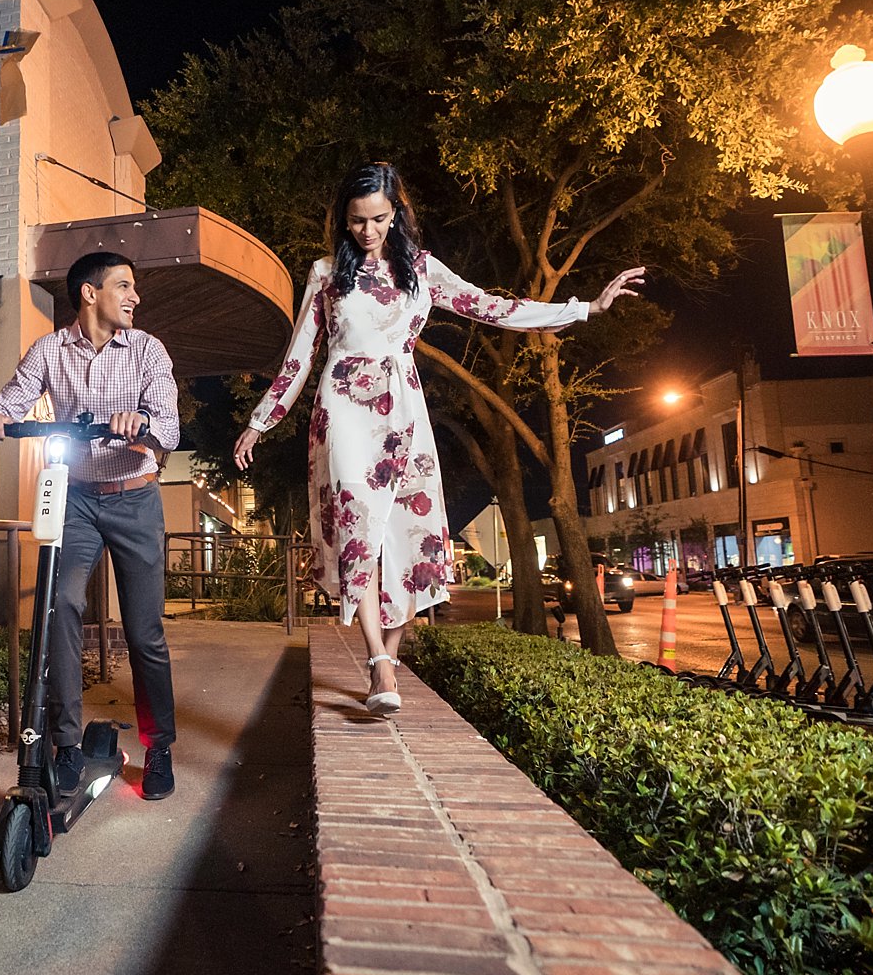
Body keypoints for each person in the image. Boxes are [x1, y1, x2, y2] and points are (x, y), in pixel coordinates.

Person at [234, 162, 644, 713]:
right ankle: (378, 663)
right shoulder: (326, 274)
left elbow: (492, 307)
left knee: (409, 535)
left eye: (379, 218)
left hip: (403, 410)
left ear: (397, 213)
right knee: (359, 527)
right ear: (343, 221)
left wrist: (583, 308)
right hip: (345, 413)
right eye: (357, 221)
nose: (368, 231)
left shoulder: (423, 271)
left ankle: (390, 664)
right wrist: (261, 419)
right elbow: (300, 356)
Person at [0, 251, 182, 798]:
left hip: (135, 497)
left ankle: (158, 746)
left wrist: (143, 424)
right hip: (75, 500)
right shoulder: (48, 350)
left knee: (144, 632)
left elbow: (169, 423)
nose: (135, 297)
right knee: (59, 604)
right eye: (124, 286)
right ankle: (65, 744)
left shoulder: (146, 350)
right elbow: (16, 398)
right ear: (90, 293)